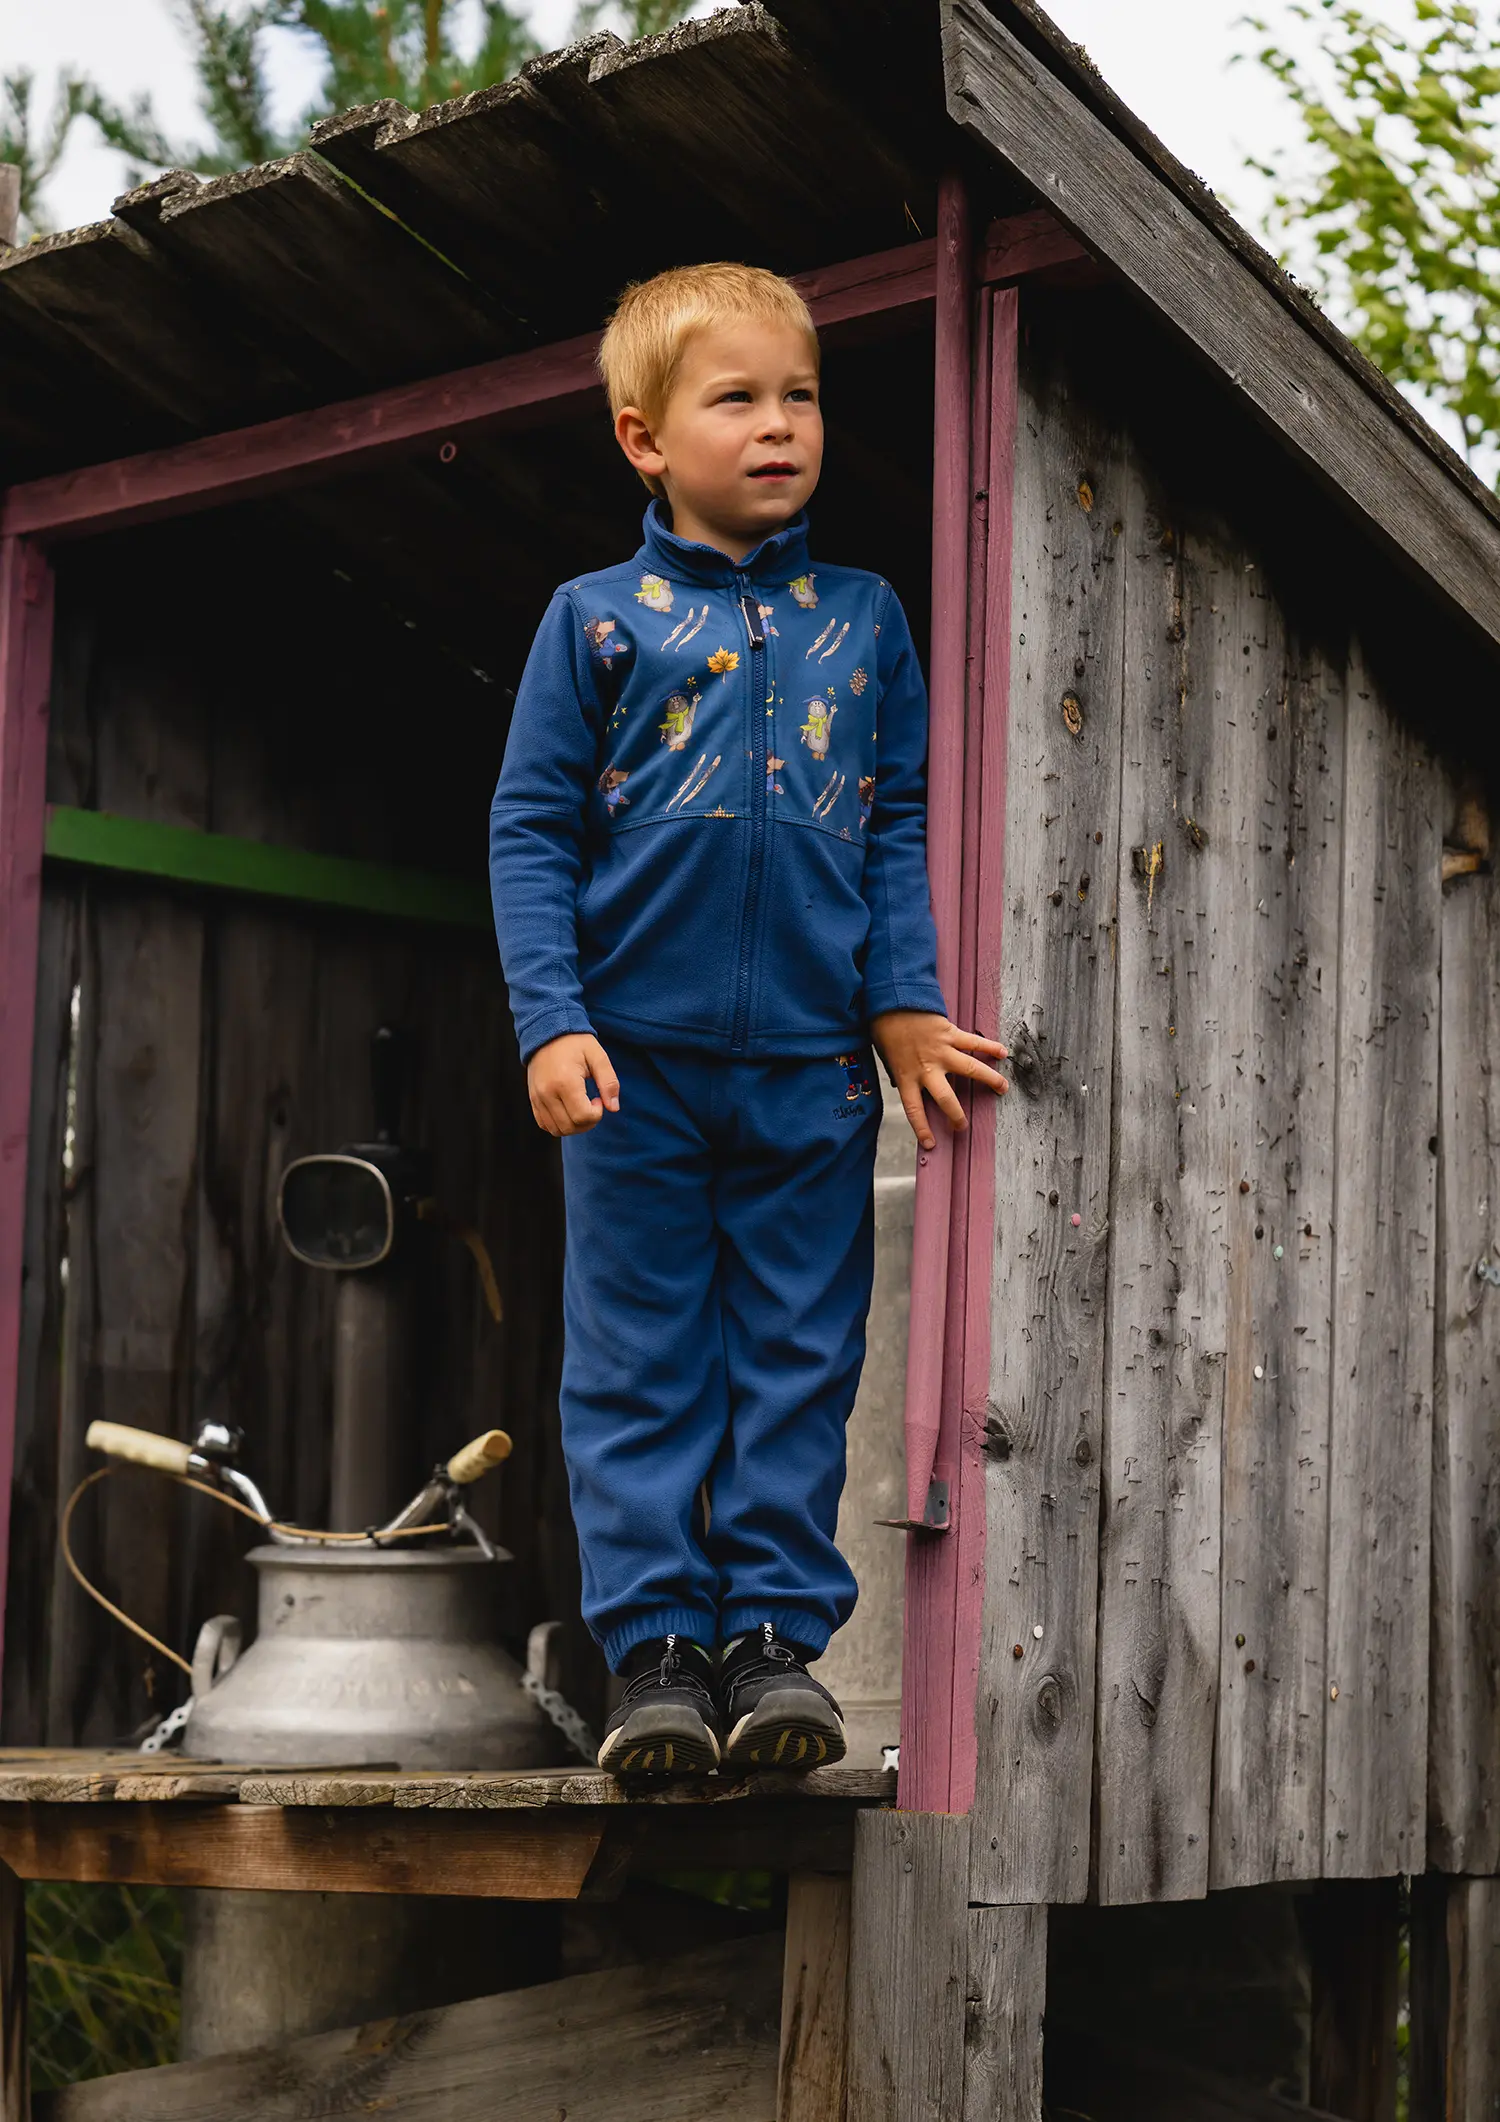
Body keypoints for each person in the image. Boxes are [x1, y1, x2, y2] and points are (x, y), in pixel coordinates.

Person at [489, 263, 1009, 1776]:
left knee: (798, 1353)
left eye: (802, 394)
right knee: (643, 1359)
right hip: (631, 1073)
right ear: (646, 438)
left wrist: (904, 1008)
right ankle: (654, 1650)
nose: (781, 424)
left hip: (808, 1072)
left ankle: (777, 1642)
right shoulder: (594, 624)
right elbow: (530, 831)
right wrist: (549, 1021)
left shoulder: (865, 621)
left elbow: (898, 818)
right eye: (740, 398)